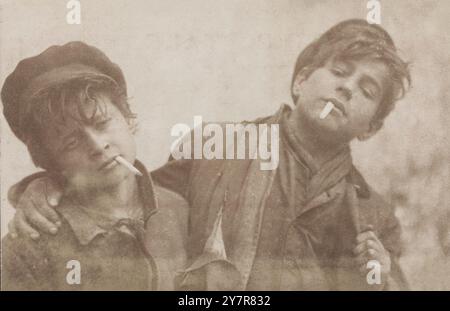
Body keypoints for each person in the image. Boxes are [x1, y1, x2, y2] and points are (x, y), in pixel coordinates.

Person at [5, 19, 411, 290]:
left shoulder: (373, 215)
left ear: (371, 127)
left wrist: (384, 278)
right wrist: (45, 186)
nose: (347, 88)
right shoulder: (215, 148)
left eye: (367, 89)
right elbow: (128, 195)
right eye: (339, 72)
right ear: (301, 80)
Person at [0, 42, 188, 290]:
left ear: (128, 118)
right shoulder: (28, 247)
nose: (98, 146)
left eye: (102, 123)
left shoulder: (180, 208)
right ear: (50, 161)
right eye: (71, 142)